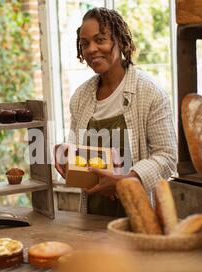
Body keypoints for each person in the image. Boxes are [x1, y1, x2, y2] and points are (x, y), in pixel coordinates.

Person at [54, 7, 177, 216]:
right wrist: (65, 152)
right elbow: (80, 156)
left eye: (100, 40)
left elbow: (167, 156)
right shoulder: (80, 97)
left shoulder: (150, 93)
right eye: (85, 44)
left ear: (120, 40)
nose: (91, 49)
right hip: (92, 216)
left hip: (138, 216)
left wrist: (126, 180)